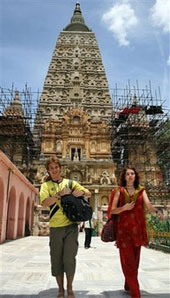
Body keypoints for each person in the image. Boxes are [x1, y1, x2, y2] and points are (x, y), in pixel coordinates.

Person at [40, 155, 91, 298]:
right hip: (56, 227)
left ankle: (69, 288)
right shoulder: (46, 186)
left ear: (60, 168)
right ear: (48, 171)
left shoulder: (69, 182)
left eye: (56, 167)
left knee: (69, 258)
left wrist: (80, 192)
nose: (54, 170)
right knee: (56, 259)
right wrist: (58, 195)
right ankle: (60, 289)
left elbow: (88, 193)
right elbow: (44, 202)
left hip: (71, 226)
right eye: (51, 168)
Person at [109, 166, 155, 298]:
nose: (130, 176)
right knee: (128, 261)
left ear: (135, 176)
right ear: (124, 177)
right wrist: (123, 208)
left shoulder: (141, 191)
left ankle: (128, 284)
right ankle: (136, 292)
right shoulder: (119, 191)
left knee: (135, 260)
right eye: (127, 174)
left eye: (132, 174)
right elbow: (112, 210)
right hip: (124, 232)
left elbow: (148, 205)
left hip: (137, 230)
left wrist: (157, 212)